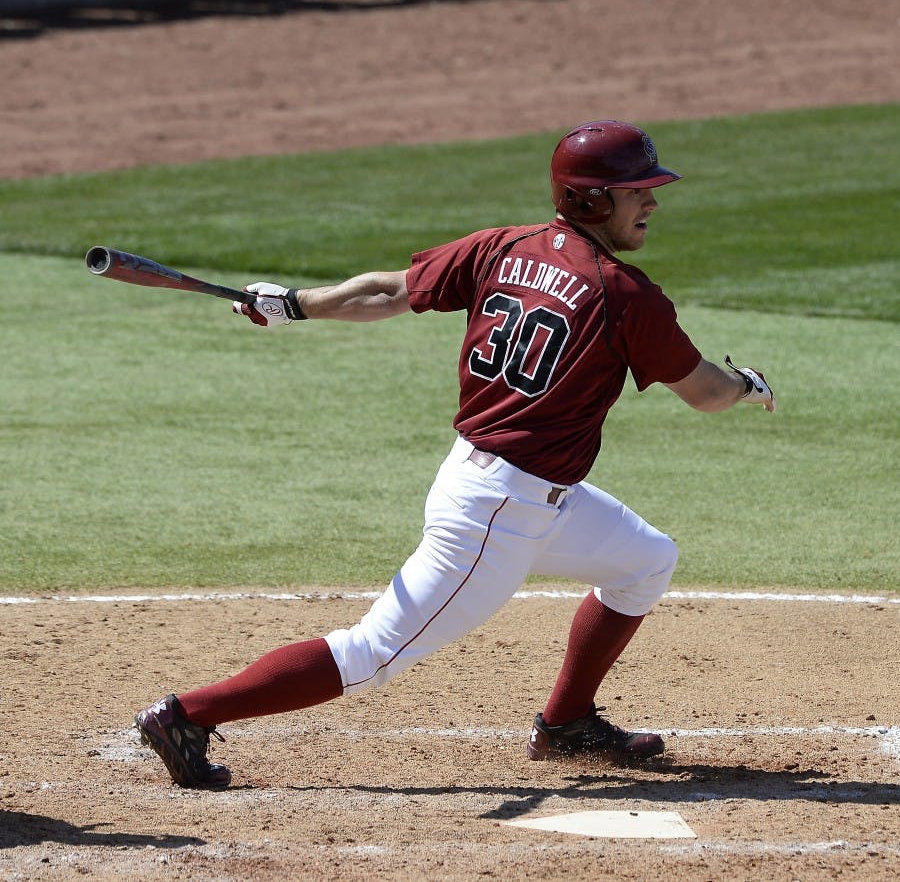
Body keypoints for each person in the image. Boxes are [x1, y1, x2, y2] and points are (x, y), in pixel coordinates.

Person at [134, 120, 775, 790]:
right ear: (592, 200)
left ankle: (565, 723)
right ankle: (188, 715)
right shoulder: (623, 294)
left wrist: (295, 304)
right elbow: (705, 392)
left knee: (646, 560)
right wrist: (747, 385)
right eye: (637, 191)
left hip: (509, 489)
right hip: (499, 511)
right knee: (374, 652)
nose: (652, 202)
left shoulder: (504, 247)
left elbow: (387, 290)